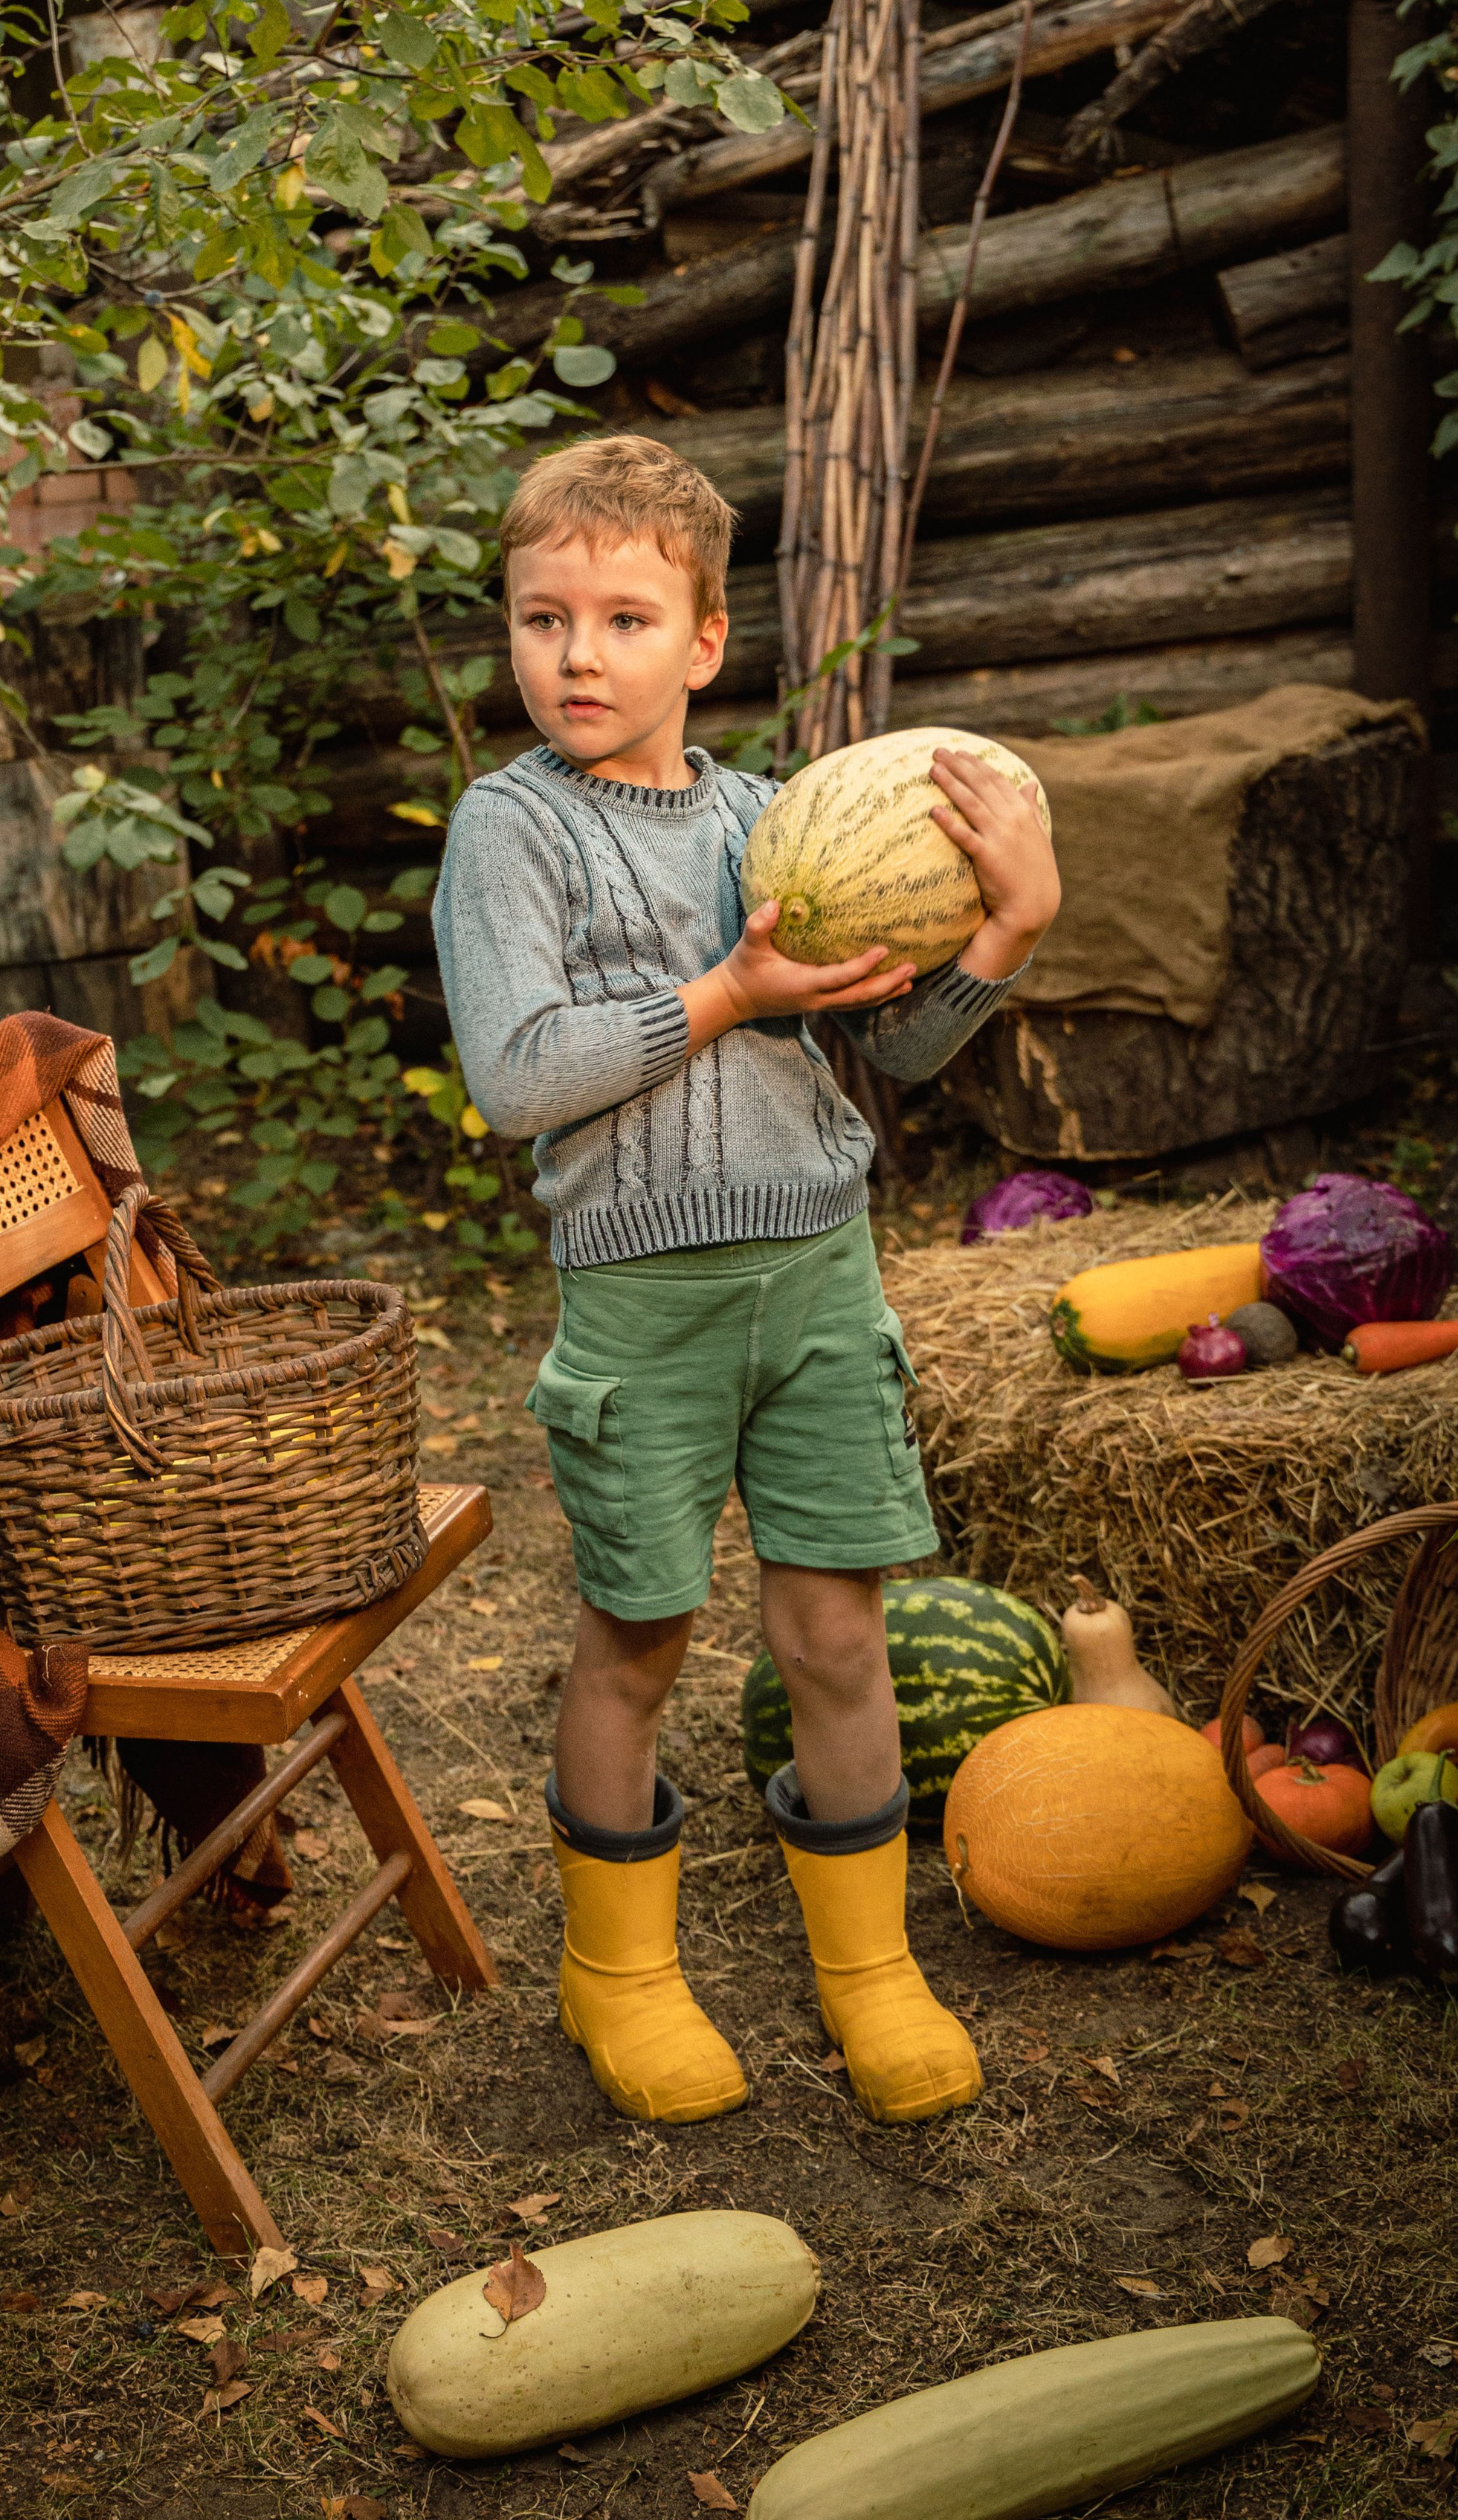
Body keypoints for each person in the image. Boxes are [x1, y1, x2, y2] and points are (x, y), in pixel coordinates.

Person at [430, 435, 1060, 2130]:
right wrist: (723, 992)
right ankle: (617, 1975)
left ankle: (871, 1968)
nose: (578, 655)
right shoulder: (509, 831)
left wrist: (1006, 930)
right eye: (544, 618)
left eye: (625, 620)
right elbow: (517, 1076)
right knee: (638, 1634)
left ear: (704, 641)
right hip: (644, 1306)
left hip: (818, 1275)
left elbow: (892, 1051)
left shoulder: (771, 821)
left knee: (838, 1632)